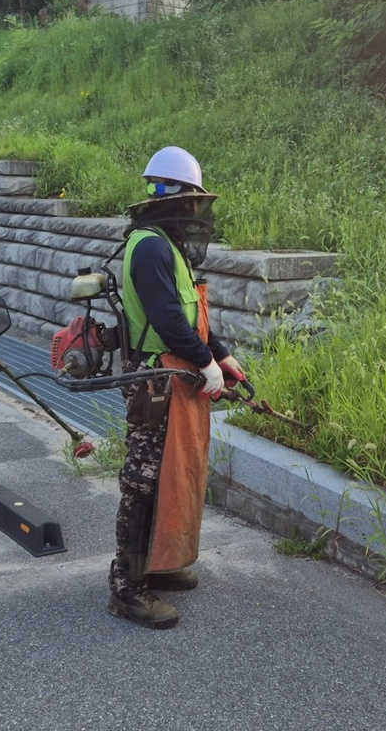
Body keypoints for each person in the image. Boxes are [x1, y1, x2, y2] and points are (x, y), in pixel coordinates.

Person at [108, 146, 246, 629]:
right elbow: (167, 318)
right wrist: (204, 361)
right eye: (192, 201)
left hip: (174, 371)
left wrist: (222, 355)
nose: (195, 212)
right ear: (177, 198)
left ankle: (155, 567)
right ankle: (126, 588)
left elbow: (190, 314)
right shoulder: (148, 246)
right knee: (144, 481)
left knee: (172, 474)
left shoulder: (167, 247)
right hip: (155, 379)